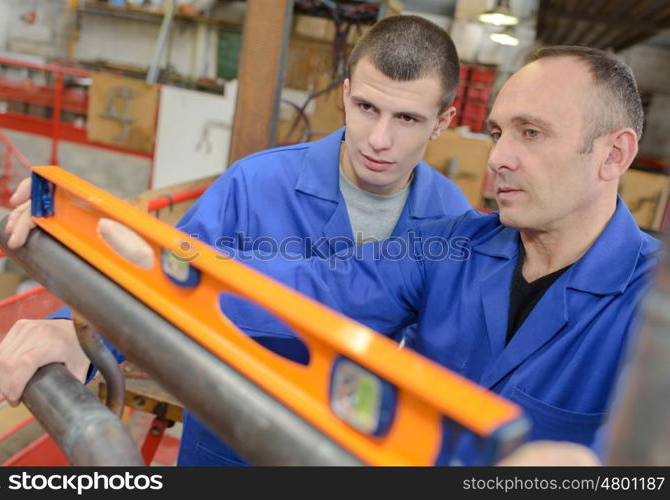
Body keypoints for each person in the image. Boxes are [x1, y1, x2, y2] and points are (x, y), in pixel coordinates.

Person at [0, 15, 471, 466]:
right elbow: (164, 275)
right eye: (367, 108)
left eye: (407, 119)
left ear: (443, 121)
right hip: (232, 454)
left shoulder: (454, 221)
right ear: (345, 94)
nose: (378, 139)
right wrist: (78, 328)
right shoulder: (257, 183)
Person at [212, 45, 661, 464]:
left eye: (531, 133)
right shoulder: (451, 247)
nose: (498, 158)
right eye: (497, 133)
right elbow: (315, 286)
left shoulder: (652, 303)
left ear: (613, 154)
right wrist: (174, 263)